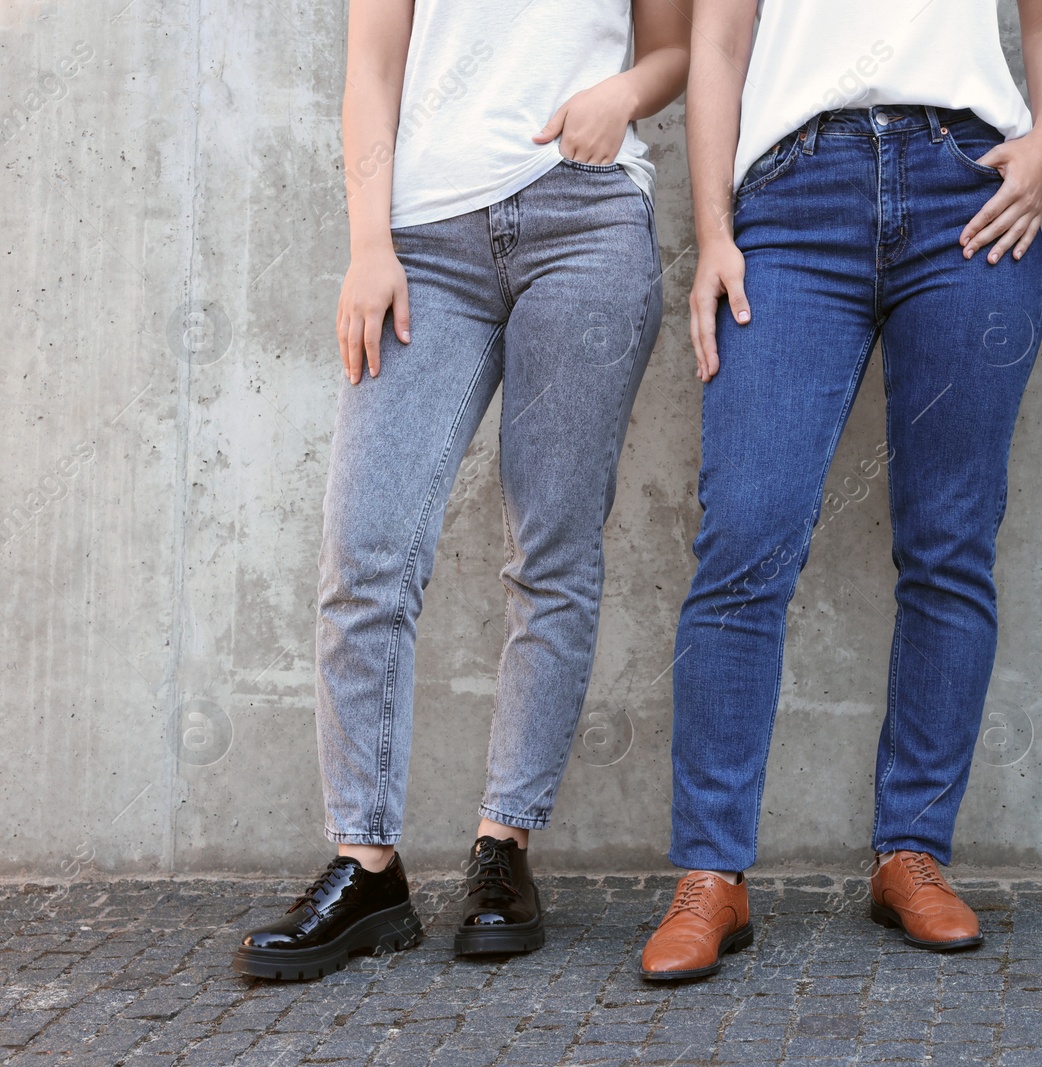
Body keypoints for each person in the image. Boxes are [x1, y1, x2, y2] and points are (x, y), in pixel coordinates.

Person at [232, 0, 688, 981]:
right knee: (366, 553)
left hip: (586, 217)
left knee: (554, 548)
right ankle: (368, 865)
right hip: (424, 237)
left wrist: (625, 91)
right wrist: (367, 243)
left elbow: (674, 47)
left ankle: (503, 847)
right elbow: (371, 68)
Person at [639, 0, 1042, 981]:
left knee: (950, 544)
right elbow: (716, 42)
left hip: (965, 189)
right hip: (791, 202)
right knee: (745, 542)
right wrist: (713, 229)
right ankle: (711, 871)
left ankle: (911, 849)